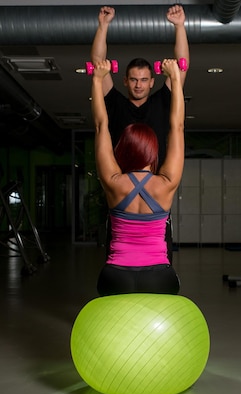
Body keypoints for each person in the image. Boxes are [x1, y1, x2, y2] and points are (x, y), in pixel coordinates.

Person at [91, 4, 189, 263]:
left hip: (156, 187)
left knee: (157, 254)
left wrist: (179, 27)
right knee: (119, 254)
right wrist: (103, 28)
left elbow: (182, 68)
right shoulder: (115, 103)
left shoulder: (161, 101)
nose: (138, 84)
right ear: (125, 80)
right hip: (121, 187)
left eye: (144, 79)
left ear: (152, 81)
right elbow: (99, 67)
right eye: (133, 79)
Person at [90, 58, 185, 296]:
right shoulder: (165, 184)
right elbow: (177, 127)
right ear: (154, 150)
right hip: (159, 277)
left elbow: (101, 126)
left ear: (121, 149)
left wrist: (96, 79)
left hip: (115, 276)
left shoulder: (113, 182)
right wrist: (175, 78)